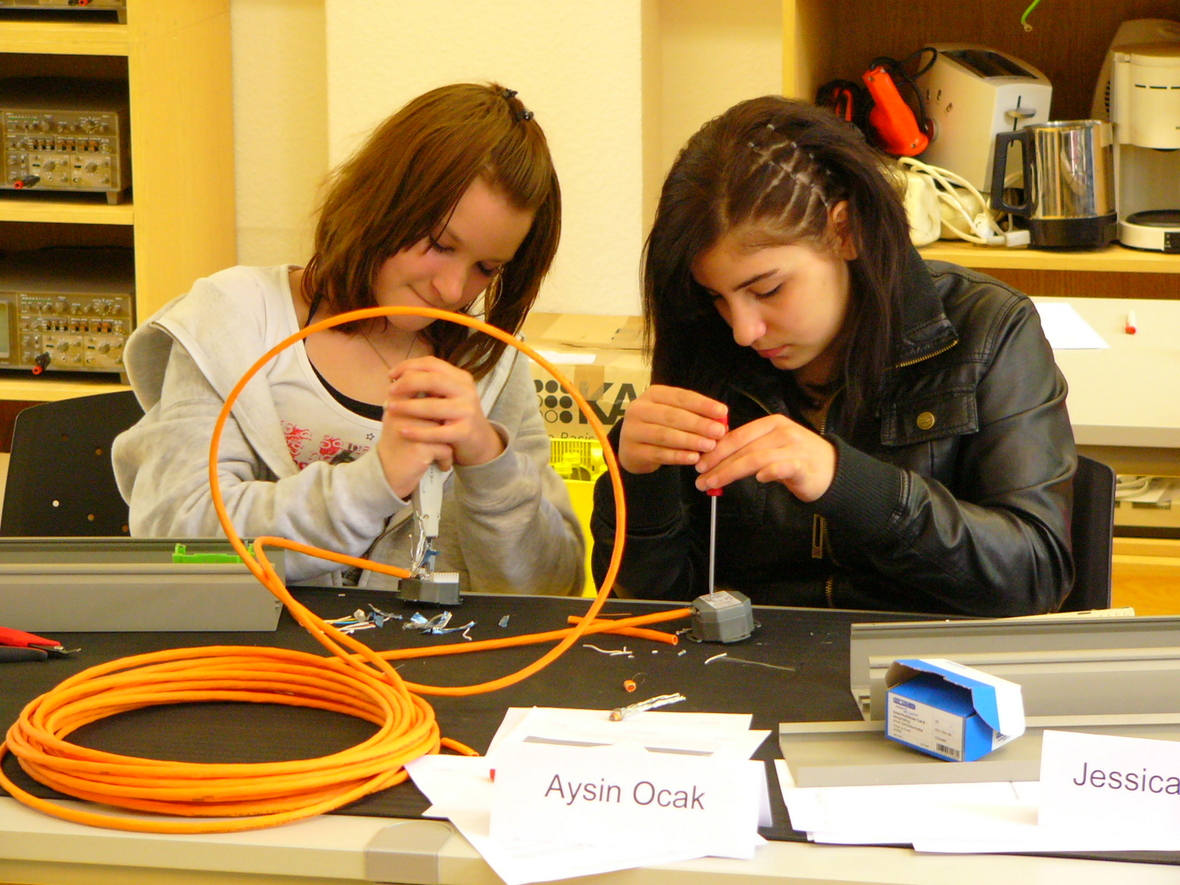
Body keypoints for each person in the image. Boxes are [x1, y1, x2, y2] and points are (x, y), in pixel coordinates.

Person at [591, 96, 1076, 617]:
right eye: (718, 297)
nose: (742, 330)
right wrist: (640, 484)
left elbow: (1034, 573)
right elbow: (656, 610)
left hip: (931, 675)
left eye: (769, 289)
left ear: (845, 232)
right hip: (755, 673)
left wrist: (846, 482)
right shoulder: (707, 342)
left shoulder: (987, 328)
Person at [113, 83, 584, 594]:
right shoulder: (235, 319)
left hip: (421, 668)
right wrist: (372, 483)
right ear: (381, 200)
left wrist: (490, 462)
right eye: (440, 244)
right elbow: (177, 540)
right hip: (249, 659)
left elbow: (548, 591)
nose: (451, 288)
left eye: (486, 268)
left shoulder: (490, 364)